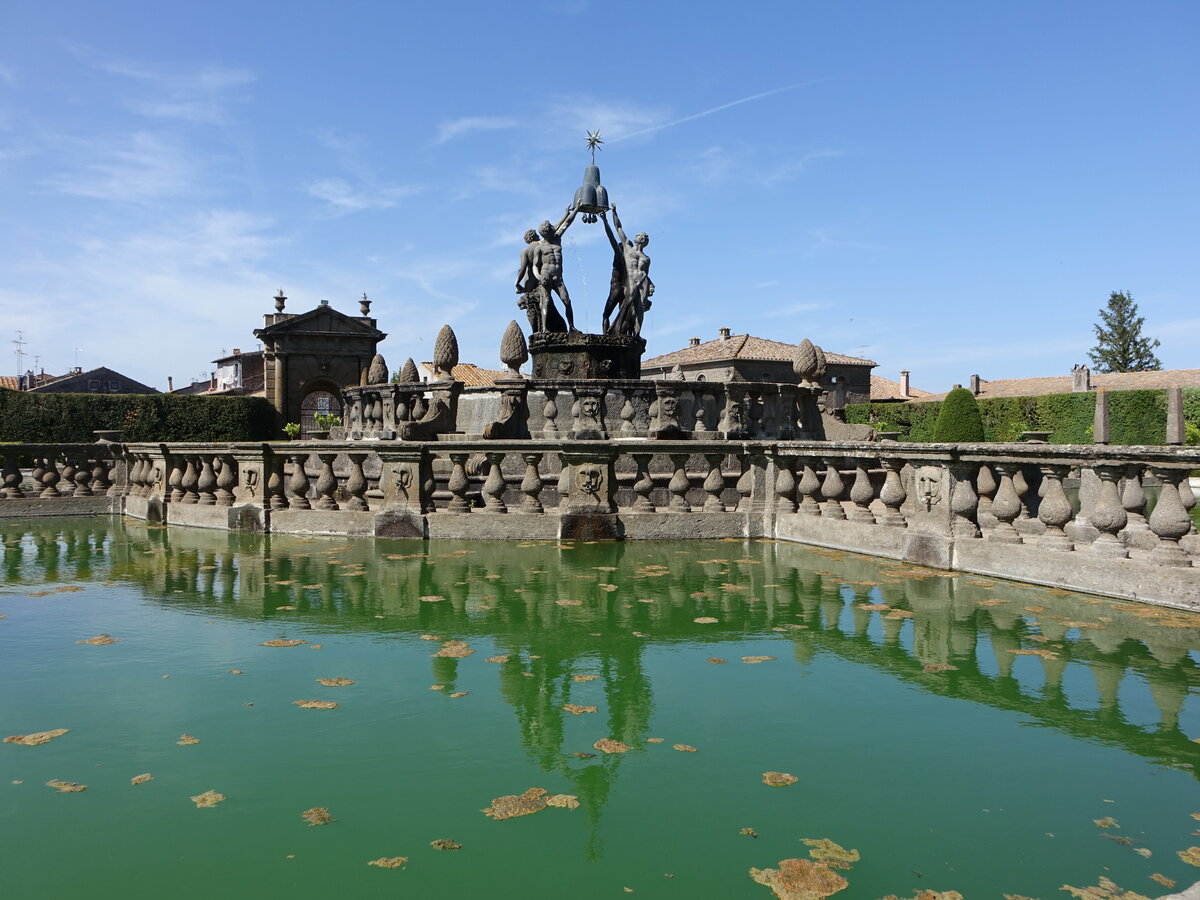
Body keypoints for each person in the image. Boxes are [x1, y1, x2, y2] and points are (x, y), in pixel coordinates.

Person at [530, 204, 580, 332]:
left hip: (558, 277)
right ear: (544, 235)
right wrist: (539, 277)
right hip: (545, 276)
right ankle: (545, 328)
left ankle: (572, 326)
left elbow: (566, 223)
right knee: (545, 301)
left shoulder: (557, 238)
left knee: (567, 301)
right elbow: (535, 266)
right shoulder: (539, 247)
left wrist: (575, 210)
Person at [606, 204, 653, 336]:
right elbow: (618, 228)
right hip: (630, 284)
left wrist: (648, 288)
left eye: (645, 237)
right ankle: (613, 328)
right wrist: (613, 213)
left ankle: (637, 335)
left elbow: (646, 276)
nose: (643, 237)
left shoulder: (646, 258)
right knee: (627, 303)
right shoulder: (627, 248)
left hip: (640, 287)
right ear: (637, 239)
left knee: (639, 311)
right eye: (641, 235)